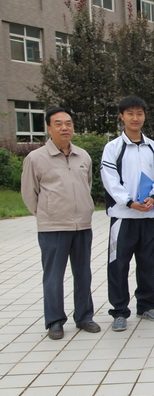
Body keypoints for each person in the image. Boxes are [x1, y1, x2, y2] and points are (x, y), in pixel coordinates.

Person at [21, 107, 100, 340]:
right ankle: (55, 321)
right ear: (49, 128)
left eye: (69, 123)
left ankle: (84, 316)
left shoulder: (83, 156)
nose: (65, 128)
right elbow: (29, 193)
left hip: (82, 225)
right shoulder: (35, 158)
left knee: (83, 274)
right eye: (58, 124)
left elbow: (87, 184)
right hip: (53, 227)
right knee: (53, 276)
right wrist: (47, 214)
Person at [100, 95, 154, 332]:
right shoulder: (113, 148)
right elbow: (110, 180)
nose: (135, 118)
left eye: (139, 113)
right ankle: (119, 311)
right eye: (130, 113)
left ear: (144, 116)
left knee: (149, 263)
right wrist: (129, 202)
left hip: (149, 216)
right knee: (118, 264)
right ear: (122, 116)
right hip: (123, 217)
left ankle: (147, 305)